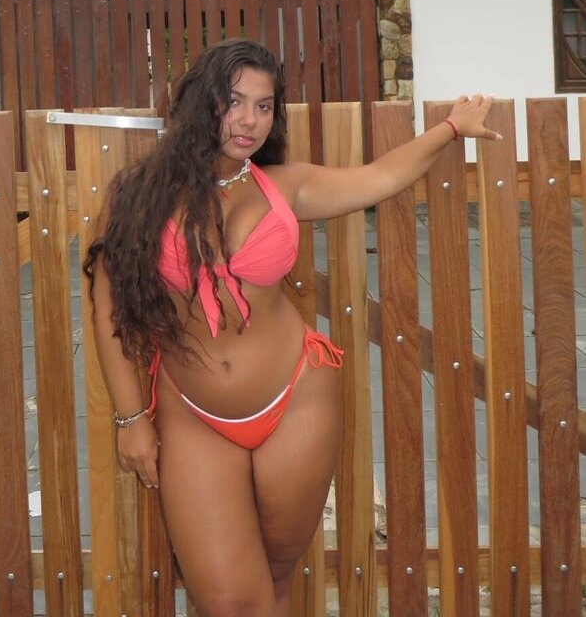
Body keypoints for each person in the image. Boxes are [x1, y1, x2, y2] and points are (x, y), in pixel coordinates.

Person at [84, 39, 499, 617]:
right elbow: (106, 302)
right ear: (202, 103)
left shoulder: (284, 185)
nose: (248, 120)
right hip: (193, 414)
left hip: (295, 399)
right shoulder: (139, 196)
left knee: (278, 574)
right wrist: (131, 419)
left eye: (264, 106)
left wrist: (451, 129)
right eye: (234, 102)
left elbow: (380, 176)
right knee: (230, 599)